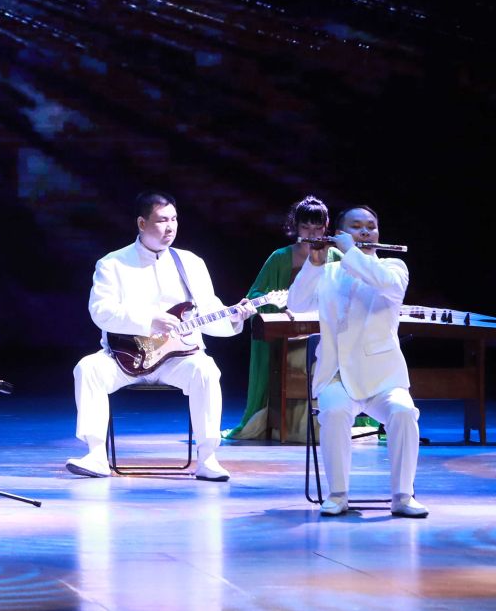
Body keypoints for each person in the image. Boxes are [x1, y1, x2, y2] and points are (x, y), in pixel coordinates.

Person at [68, 193, 256, 481]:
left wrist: (233, 318)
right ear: (142, 223)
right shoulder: (112, 263)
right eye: (161, 220)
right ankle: (95, 455)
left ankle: (207, 458)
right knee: (88, 368)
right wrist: (148, 320)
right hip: (126, 356)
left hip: (177, 358)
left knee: (206, 370)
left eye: (174, 219)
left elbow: (208, 311)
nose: (170, 227)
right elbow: (101, 311)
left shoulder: (190, 262)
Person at [291, 204, 426, 518]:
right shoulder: (328, 273)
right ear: (340, 233)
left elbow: (384, 284)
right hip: (337, 375)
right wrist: (313, 263)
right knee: (335, 411)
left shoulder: (393, 267)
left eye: (370, 227)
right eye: (356, 227)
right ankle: (337, 494)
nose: (365, 232)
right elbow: (296, 304)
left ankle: (403, 496)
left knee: (404, 412)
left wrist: (350, 251)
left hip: (383, 377)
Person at [227, 197, 334, 443]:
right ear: (296, 227)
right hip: (288, 334)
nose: (312, 234)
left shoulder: (335, 255)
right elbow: (256, 293)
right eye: (306, 227)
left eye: (318, 228)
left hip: (326, 332)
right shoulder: (281, 257)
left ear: (326, 226)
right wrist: (278, 306)